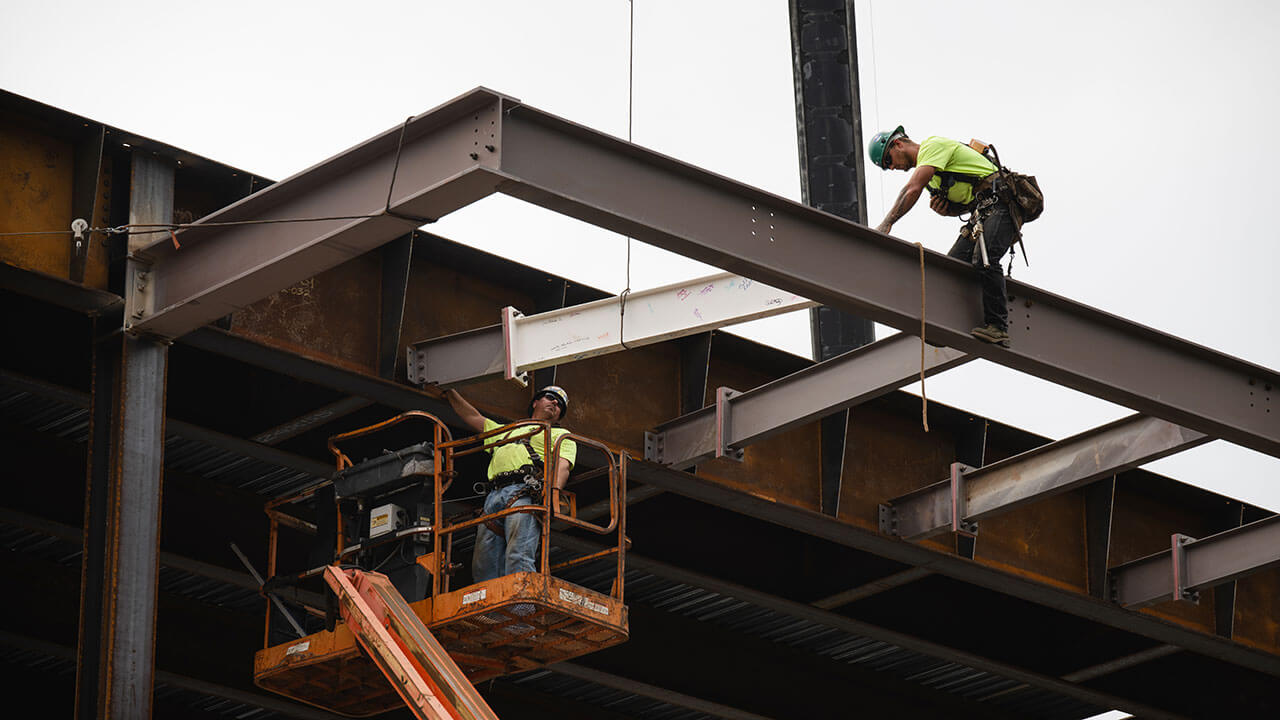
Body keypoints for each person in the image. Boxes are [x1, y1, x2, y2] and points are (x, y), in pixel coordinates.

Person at [868, 126, 1015, 348]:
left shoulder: (932, 146)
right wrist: (949, 211)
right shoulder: (932, 180)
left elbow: (911, 190)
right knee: (950, 268)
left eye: (889, 161)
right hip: (984, 211)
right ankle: (944, 325)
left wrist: (887, 223)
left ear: (897, 144)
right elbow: (967, 202)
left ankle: (998, 326)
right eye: (887, 167)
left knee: (985, 258)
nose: (892, 167)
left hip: (1003, 204)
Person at [443, 385, 576, 582]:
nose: (555, 403)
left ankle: (521, 608)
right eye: (550, 397)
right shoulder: (505, 432)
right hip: (494, 495)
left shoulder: (561, 435)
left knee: (518, 554)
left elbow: (562, 466)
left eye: (560, 405)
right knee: (483, 561)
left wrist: (553, 494)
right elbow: (473, 417)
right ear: (535, 402)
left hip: (525, 493)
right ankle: (489, 610)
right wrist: (449, 392)